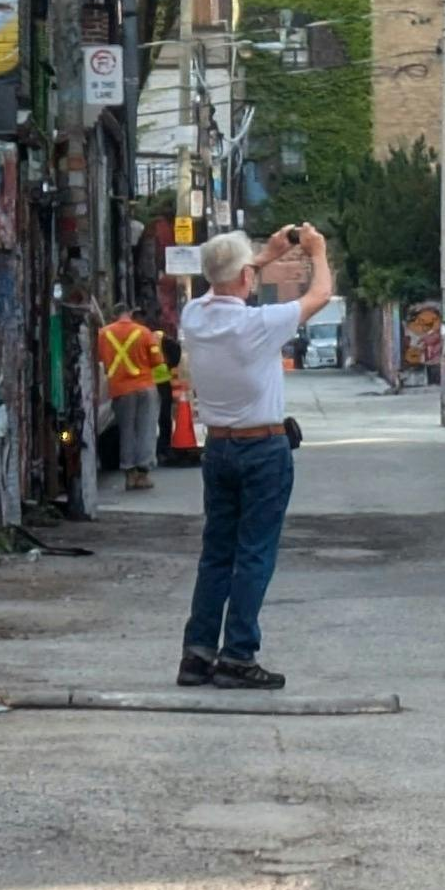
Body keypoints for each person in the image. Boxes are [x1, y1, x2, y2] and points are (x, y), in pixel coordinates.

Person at [177, 225, 336, 690]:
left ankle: (197, 652)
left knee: (217, 553)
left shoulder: (194, 316)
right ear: (247, 277)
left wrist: (262, 256)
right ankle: (238, 654)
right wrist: (317, 251)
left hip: (219, 447)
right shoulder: (258, 324)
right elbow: (321, 293)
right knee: (254, 553)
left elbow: (224, 283)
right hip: (262, 448)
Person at [96, 304, 163, 491]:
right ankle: (143, 473)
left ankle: (129, 474)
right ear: (131, 315)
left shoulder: (104, 334)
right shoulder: (144, 332)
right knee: (146, 429)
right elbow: (157, 361)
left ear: (113, 315)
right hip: (146, 387)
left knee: (126, 431)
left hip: (121, 390)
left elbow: (98, 359)